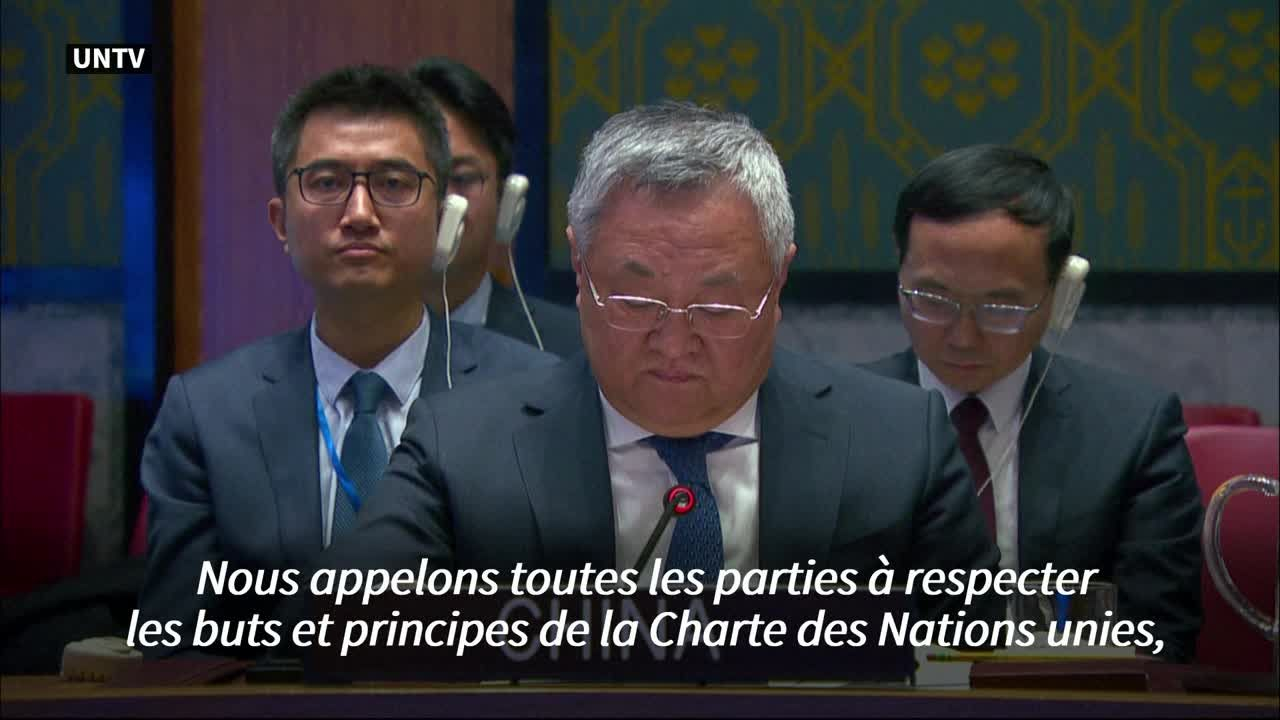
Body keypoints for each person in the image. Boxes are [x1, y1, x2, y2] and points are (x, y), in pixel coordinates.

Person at [324, 102, 998, 621]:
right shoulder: (461, 447)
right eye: (635, 300)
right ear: (581, 271)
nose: (675, 342)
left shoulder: (899, 443)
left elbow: (983, 672)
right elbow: (345, 634)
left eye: (719, 305)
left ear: (778, 282)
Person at [138, 65, 556, 658]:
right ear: (281, 222)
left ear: (444, 218)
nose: (359, 212)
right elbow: (177, 647)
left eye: (393, 182)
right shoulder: (205, 414)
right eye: (328, 182)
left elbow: (557, 623)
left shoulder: (533, 395)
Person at [864, 144, 1203, 662]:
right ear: (899, 276)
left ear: (1062, 296)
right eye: (932, 299)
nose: (963, 337)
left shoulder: (1134, 433)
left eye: (1000, 306)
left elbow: (1159, 644)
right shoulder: (833, 422)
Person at [409, 57, 582, 357]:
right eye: (409, 179)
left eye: (462, 178)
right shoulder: (340, 342)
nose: (439, 201)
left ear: (506, 199)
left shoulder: (572, 348)